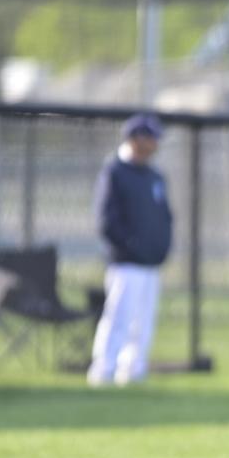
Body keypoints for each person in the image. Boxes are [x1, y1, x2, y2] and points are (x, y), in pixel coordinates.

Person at [87, 114, 173, 386]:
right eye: (151, 139)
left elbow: (165, 216)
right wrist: (130, 247)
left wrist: (160, 247)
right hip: (125, 263)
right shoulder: (115, 172)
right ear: (136, 140)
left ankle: (133, 371)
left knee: (143, 322)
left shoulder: (154, 176)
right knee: (118, 318)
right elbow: (106, 221)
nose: (155, 145)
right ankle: (103, 371)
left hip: (150, 263)